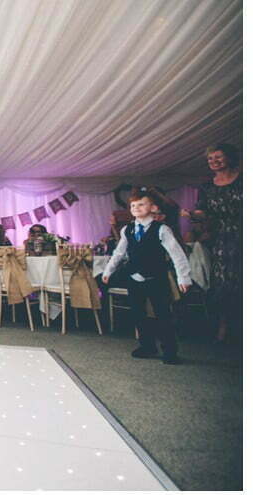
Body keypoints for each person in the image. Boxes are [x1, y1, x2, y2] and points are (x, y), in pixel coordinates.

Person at [103, 189, 191, 364]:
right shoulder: (127, 229)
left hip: (156, 278)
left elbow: (177, 254)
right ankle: (147, 346)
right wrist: (108, 271)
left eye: (141, 204)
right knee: (138, 313)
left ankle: (170, 351)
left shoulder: (162, 229)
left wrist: (183, 277)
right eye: (133, 205)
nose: (136, 208)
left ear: (153, 207)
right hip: (134, 278)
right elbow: (119, 253)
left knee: (163, 314)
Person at [181, 143, 242, 343]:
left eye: (218, 157)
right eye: (210, 159)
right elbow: (203, 212)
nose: (214, 161)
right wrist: (191, 214)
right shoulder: (206, 187)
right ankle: (224, 327)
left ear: (229, 157)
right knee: (224, 282)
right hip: (223, 238)